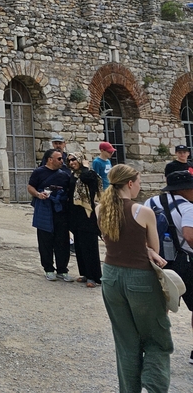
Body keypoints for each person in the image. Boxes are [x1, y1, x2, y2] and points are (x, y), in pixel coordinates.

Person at [97, 164, 172, 393]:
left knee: (126, 342)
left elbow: (111, 240)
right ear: (130, 183)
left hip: (110, 276)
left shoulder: (101, 208)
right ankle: (155, 388)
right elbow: (155, 249)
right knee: (157, 339)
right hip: (139, 277)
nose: (139, 186)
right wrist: (147, 250)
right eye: (138, 182)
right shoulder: (142, 211)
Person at [144, 170, 193, 367]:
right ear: (186, 189)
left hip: (158, 260)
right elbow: (189, 236)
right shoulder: (188, 208)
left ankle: (155, 349)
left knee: (160, 306)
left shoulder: (151, 202)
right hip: (186, 261)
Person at [28, 149, 73, 281]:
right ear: (50, 159)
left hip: (60, 210)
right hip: (44, 209)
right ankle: (48, 269)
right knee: (45, 241)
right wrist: (38, 194)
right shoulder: (39, 172)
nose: (62, 161)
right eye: (59, 158)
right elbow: (30, 187)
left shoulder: (64, 174)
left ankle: (62, 269)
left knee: (62, 240)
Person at [65, 151, 102, 287]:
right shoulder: (72, 175)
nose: (71, 162)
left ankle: (94, 276)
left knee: (90, 246)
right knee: (80, 246)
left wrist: (85, 167)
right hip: (75, 215)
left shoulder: (89, 174)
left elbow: (87, 179)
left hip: (87, 215)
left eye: (74, 159)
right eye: (69, 160)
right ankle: (85, 273)